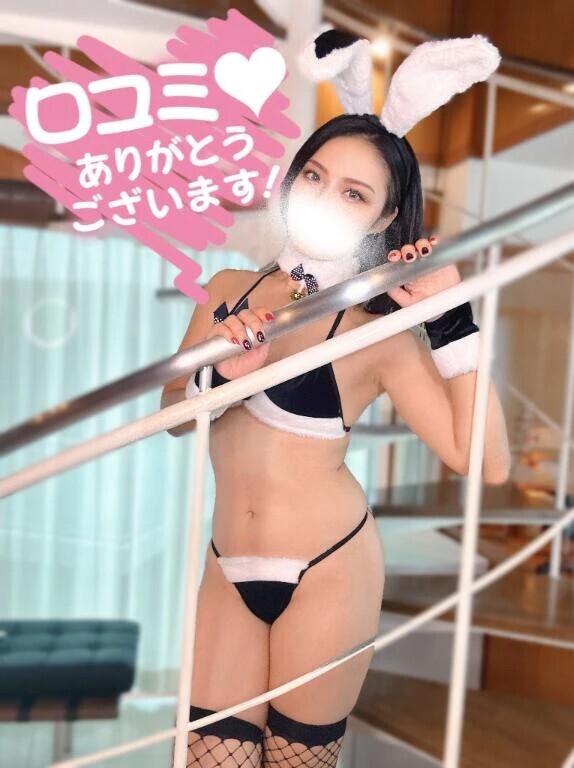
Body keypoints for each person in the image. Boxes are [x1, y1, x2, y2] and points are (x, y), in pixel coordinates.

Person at [161, 30, 510, 768]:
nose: (322, 197)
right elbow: (171, 417)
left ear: (382, 220)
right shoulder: (228, 290)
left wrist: (451, 322)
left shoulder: (377, 333)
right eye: (315, 176)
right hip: (227, 566)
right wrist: (220, 370)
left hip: (330, 569)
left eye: (354, 192)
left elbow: (484, 462)